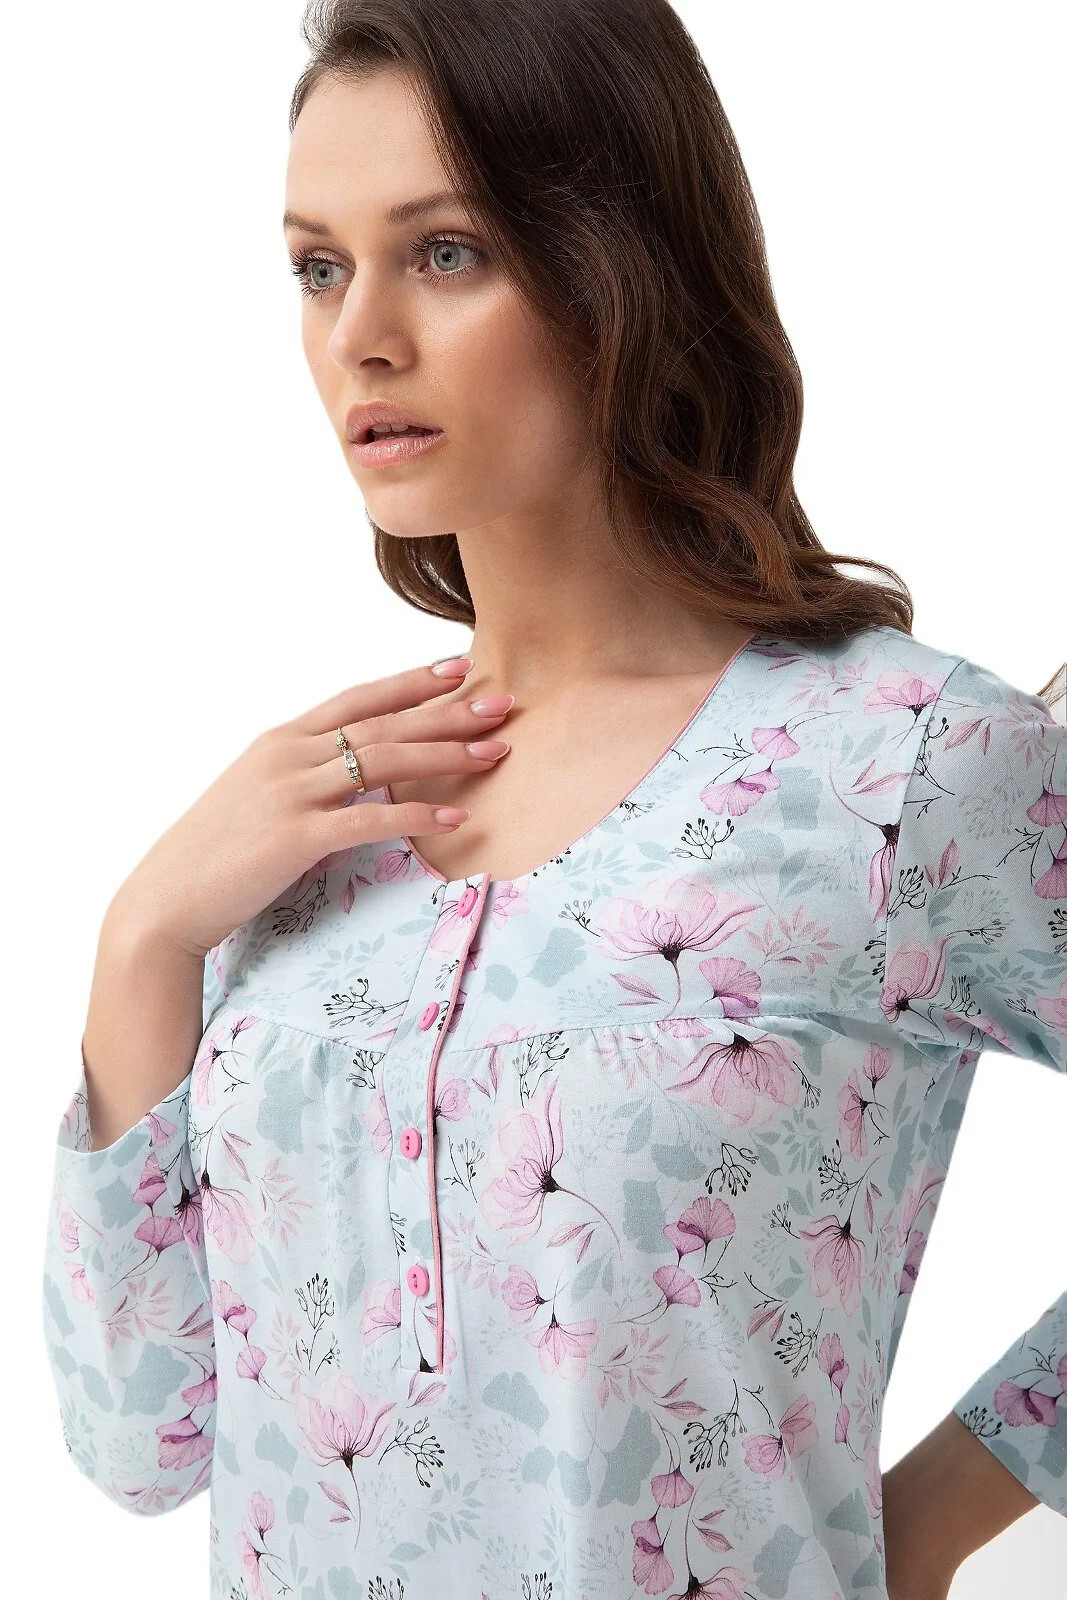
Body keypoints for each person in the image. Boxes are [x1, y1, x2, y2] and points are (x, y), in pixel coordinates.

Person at [41, 2, 1067, 1598]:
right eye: (318, 268)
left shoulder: (899, 768)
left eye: (444, 253)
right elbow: (139, 1442)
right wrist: (144, 941)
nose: (360, 336)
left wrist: (931, 1520)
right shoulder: (317, 825)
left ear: (621, 269)